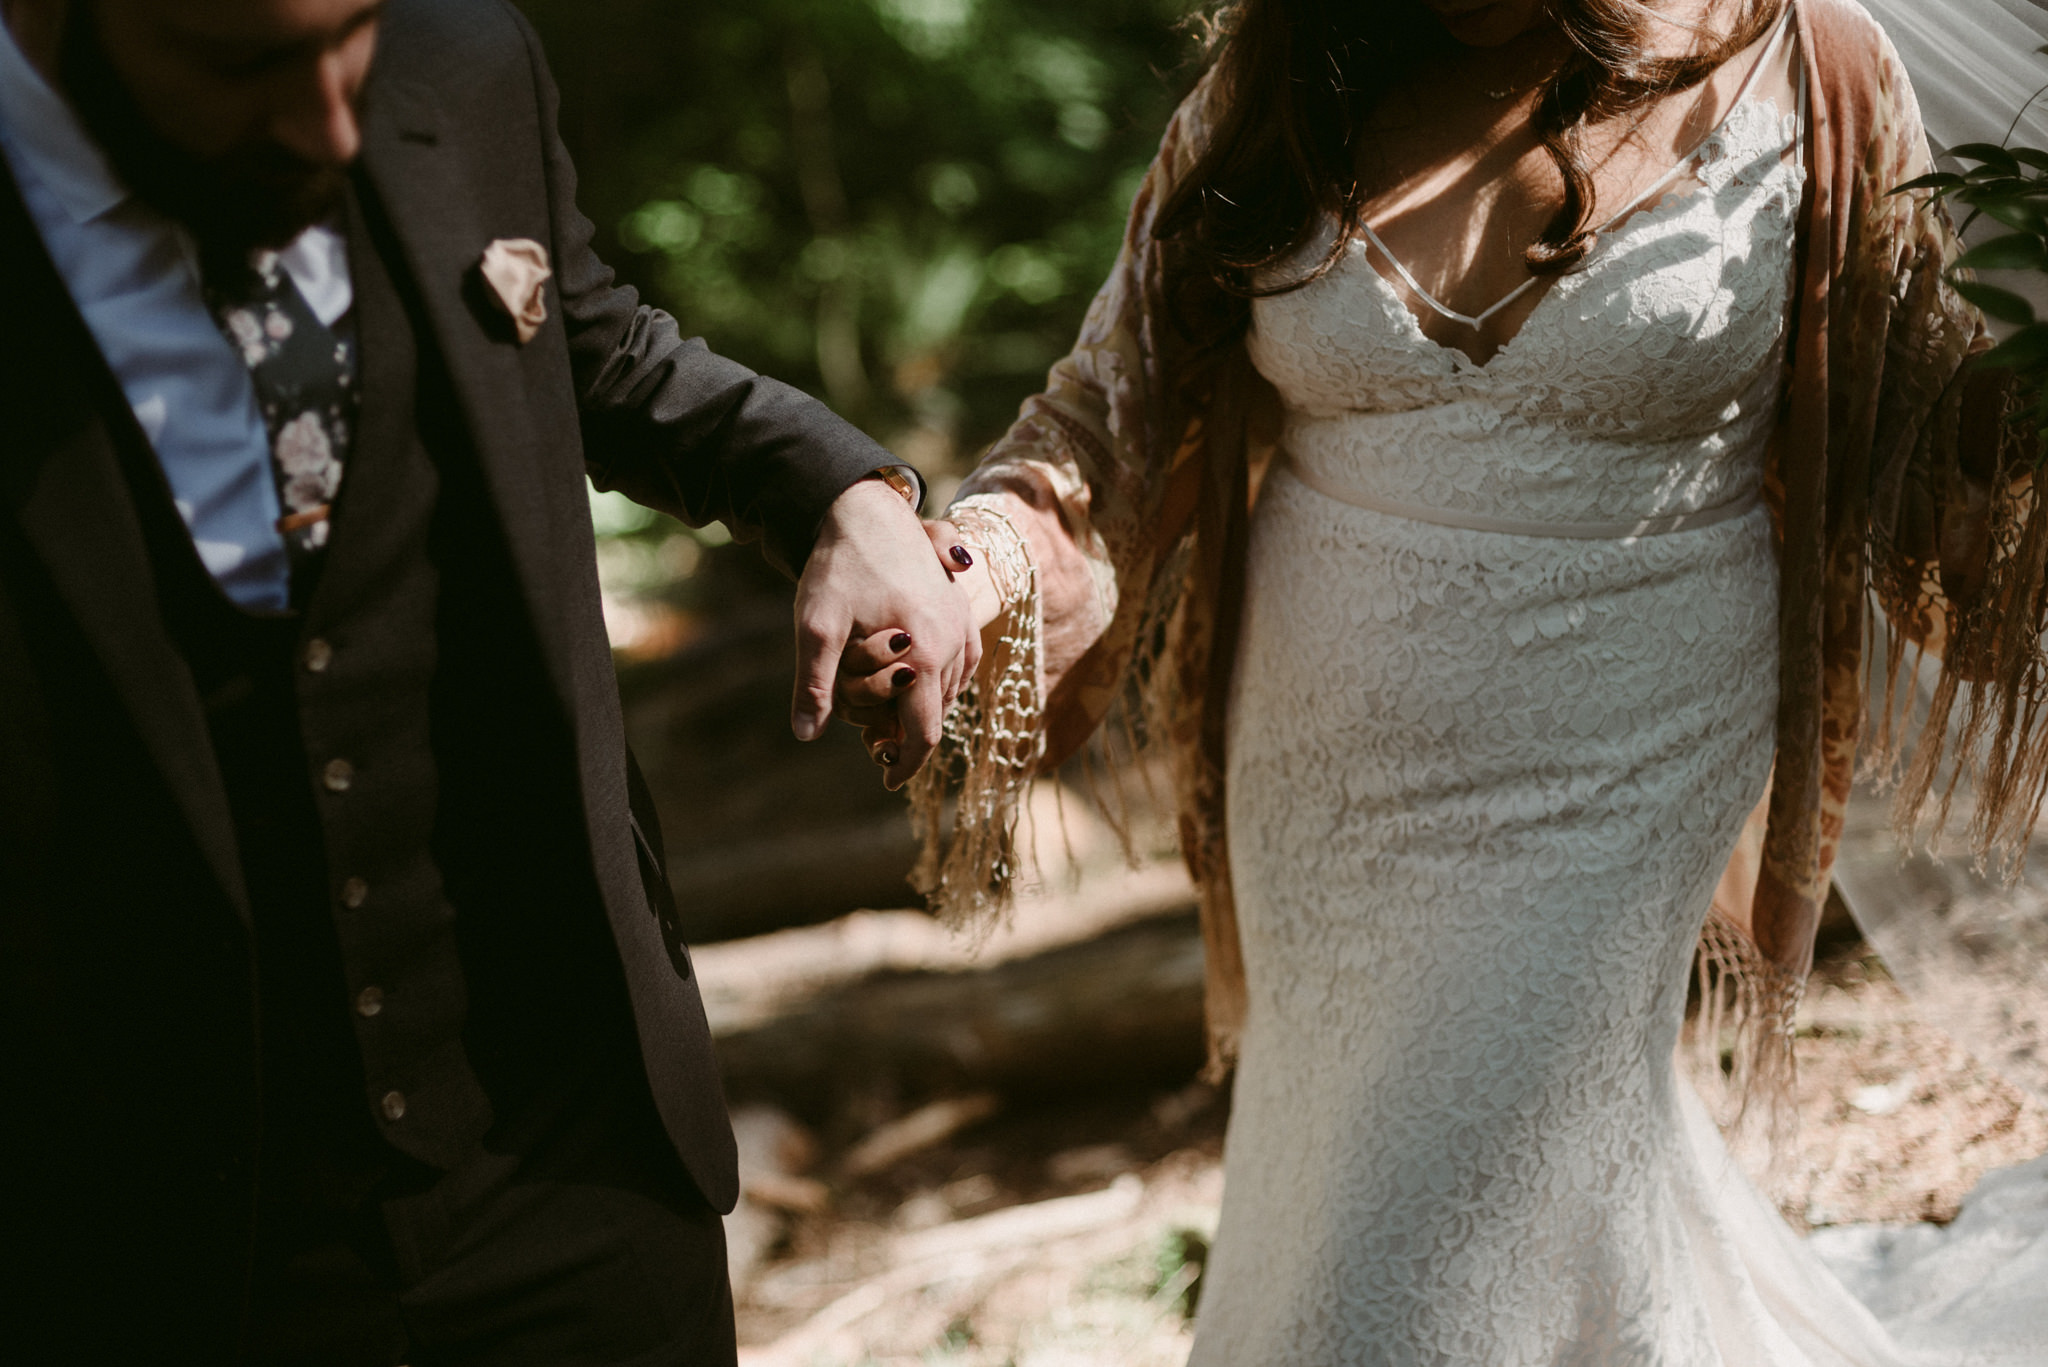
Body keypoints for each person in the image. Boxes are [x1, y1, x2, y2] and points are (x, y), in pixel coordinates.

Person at [844, 0, 2048, 1360]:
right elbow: (1104, 410)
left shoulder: (1805, 68)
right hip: (1320, 766)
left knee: (1454, 1179)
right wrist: (979, 562)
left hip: (1625, 750)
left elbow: (1938, 424)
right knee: (1357, 1169)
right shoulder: (1290, 77)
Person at [0, 0, 976, 1362]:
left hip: (577, 1170)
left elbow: (599, 348)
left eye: (346, 34)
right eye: (247, 68)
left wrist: (841, 493)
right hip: (157, 1255)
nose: (332, 121)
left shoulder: (461, 61)